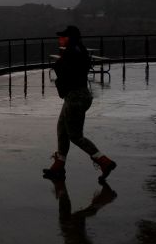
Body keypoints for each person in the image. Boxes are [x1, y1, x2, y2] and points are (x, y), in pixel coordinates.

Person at [44, 25, 116, 182]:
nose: (60, 39)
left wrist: (59, 65)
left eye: (63, 36)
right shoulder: (79, 50)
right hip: (77, 96)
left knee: (75, 136)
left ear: (70, 38)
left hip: (76, 97)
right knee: (62, 129)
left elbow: (68, 72)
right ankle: (58, 166)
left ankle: (104, 161)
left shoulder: (71, 52)